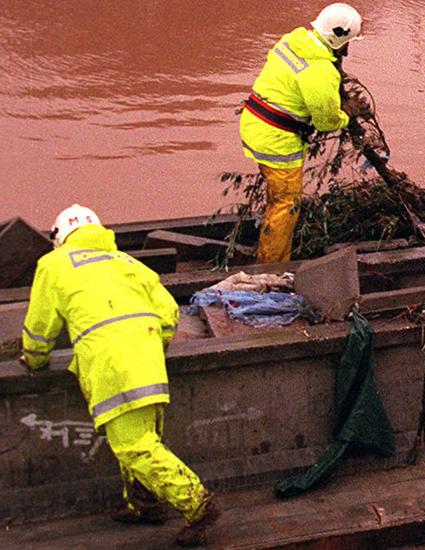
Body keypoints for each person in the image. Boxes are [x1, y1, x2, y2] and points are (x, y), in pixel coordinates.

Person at [19, 204, 221, 547]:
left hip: (110, 363)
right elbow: (169, 312)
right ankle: (145, 505)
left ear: (61, 238)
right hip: (148, 358)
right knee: (143, 439)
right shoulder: (127, 262)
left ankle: (197, 503)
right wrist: (151, 348)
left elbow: (41, 328)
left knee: (133, 446)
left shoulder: (53, 264)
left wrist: (35, 360)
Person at [239, 2, 370, 264]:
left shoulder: (294, 40)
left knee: (277, 199)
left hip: (253, 123)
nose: (350, 47)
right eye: (350, 41)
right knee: (286, 205)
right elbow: (326, 121)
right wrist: (350, 113)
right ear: (340, 40)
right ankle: (271, 269)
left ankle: (270, 252)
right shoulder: (320, 71)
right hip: (276, 139)